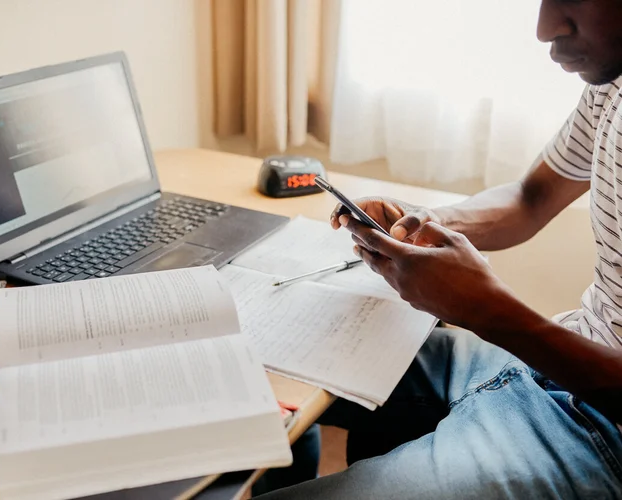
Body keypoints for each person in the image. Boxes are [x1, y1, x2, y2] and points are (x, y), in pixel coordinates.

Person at [255, 1, 622, 498]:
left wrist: (484, 308)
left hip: (600, 433)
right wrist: (422, 221)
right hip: (549, 360)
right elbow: (529, 198)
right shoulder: (609, 84)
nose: (545, 28)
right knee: (265, 356)